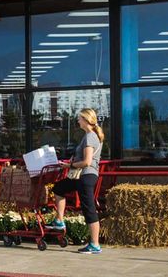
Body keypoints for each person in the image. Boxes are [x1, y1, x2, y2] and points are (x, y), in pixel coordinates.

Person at [47, 107, 104, 254]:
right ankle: (59, 221)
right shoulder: (89, 136)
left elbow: (87, 161)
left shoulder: (90, 136)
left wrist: (69, 165)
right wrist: (73, 159)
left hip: (86, 176)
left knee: (89, 208)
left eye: (79, 118)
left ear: (86, 120)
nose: (78, 121)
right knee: (59, 188)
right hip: (82, 176)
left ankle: (95, 244)